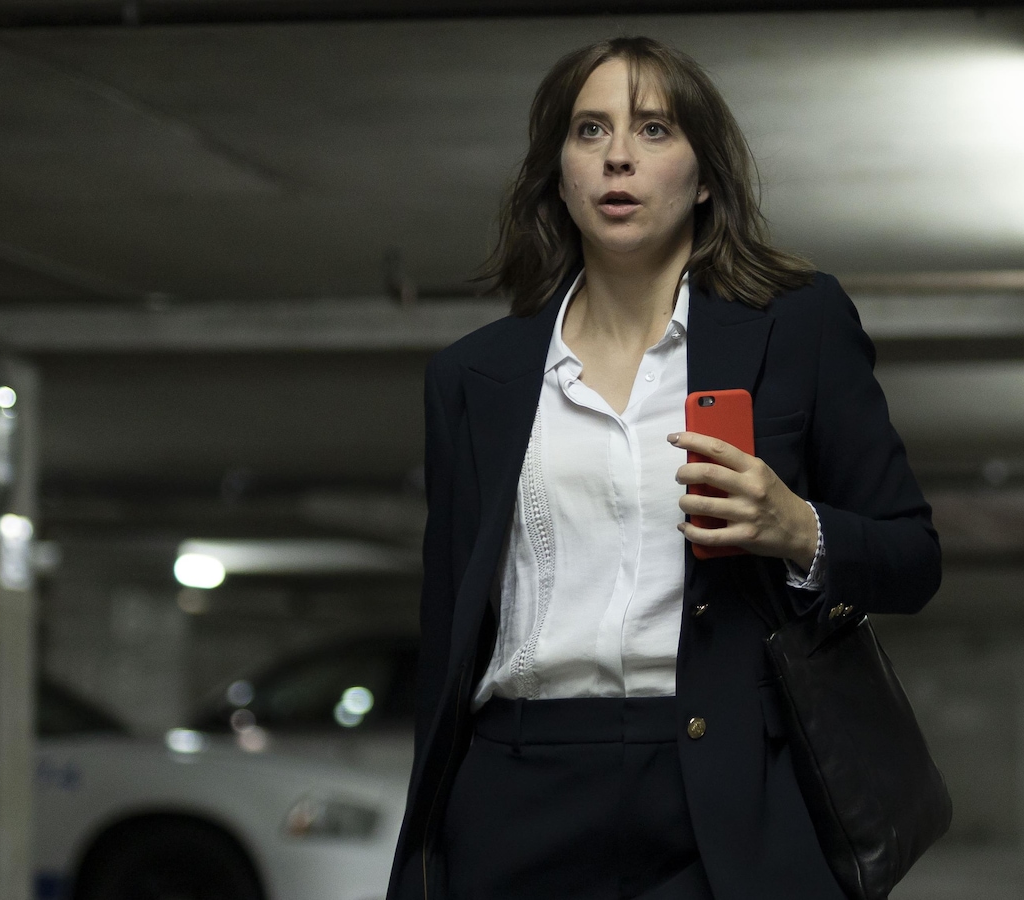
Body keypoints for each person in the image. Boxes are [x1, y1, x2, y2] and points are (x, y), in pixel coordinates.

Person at [386, 36, 941, 900]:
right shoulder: (473, 379)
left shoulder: (798, 327)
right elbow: (448, 633)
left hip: (727, 786)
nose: (617, 156)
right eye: (589, 131)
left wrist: (799, 529)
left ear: (706, 174)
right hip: (518, 783)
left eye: (652, 130)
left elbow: (914, 559)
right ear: (558, 172)